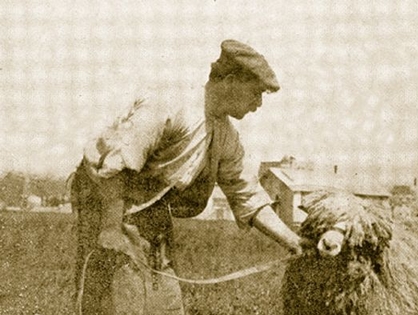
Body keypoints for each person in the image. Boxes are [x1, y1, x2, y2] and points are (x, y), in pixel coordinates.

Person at [71, 39, 303, 314]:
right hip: (106, 198)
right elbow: (112, 166)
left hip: (151, 210)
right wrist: (110, 229)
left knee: (165, 300)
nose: (259, 103)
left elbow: (246, 195)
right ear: (230, 81)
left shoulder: (225, 135)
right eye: (256, 92)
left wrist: (294, 242)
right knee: (120, 296)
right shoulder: (170, 104)